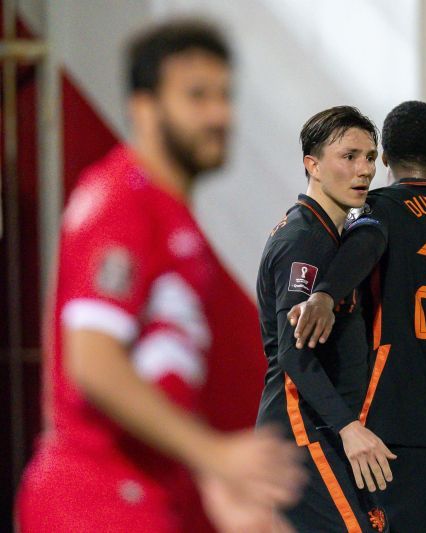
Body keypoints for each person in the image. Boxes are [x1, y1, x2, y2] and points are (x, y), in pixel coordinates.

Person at [15, 20, 304, 533]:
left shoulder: (172, 217)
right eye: (196, 97)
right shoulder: (120, 200)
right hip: (91, 502)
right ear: (143, 108)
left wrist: (212, 483)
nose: (220, 114)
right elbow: (94, 363)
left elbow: (155, 382)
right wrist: (216, 455)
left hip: (141, 503)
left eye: (224, 96)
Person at [291, 101, 426, 532]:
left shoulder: (378, 209)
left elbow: (365, 244)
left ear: (383, 159)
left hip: (398, 423)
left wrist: (326, 293)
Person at [256, 106, 396, 532]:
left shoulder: (334, 234)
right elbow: (293, 355)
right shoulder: (305, 242)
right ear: (312, 165)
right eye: (349, 156)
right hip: (303, 430)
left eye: (371, 157)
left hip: (324, 430)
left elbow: (374, 226)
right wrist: (349, 427)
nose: (364, 170)